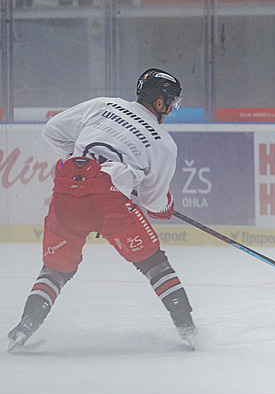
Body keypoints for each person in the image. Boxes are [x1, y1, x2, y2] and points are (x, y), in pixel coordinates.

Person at [7, 68, 198, 351]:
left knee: (55, 269)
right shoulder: (163, 143)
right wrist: (166, 206)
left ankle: (23, 330)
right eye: (171, 102)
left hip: (66, 194)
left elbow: (52, 131)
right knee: (154, 264)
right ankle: (189, 330)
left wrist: (83, 163)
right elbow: (154, 202)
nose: (171, 109)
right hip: (110, 204)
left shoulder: (105, 105)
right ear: (160, 103)